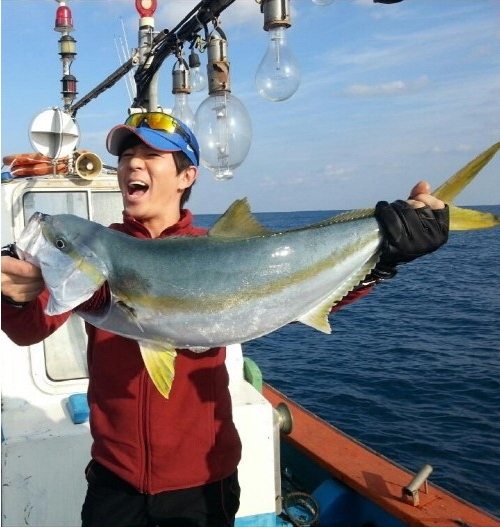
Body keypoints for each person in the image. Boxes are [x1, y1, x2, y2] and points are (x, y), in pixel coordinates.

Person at [1, 112, 449, 527]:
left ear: (186, 176)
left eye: (151, 155)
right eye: (126, 155)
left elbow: (303, 290)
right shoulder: (95, 254)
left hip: (202, 480)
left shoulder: (217, 247)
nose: (132, 163)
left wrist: (386, 257)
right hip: (114, 478)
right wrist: (15, 296)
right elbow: (29, 329)